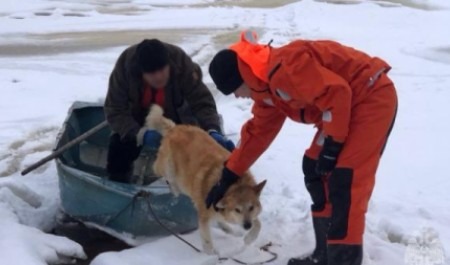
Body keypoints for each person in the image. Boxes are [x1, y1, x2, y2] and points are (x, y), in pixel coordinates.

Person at [206, 31, 398, 265]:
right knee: (314, 168)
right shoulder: (266, 90)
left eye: (234, 89)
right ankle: (324, 256)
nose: (236, 96)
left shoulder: (285, 69)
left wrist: (333, 146)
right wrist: (228, 176)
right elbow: (257, 134)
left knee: (344, 181)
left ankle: (343, 260)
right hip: (342, 109)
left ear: (241, 78)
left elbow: (337, 93)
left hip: (370, 97)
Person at [104, 39, 234, 183]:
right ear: (141, 72)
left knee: (190, 152)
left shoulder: (181, 63)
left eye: (162, 70)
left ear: (169, 65)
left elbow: (201, 102)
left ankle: (186, 185)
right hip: (137, 119)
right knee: (118, 147)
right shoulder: (125, 66)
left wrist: (212, 130)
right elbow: (114, 109)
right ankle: (119, 183)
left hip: (175, 118)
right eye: (152, 73)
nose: (158, 76)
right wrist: (140, 134)